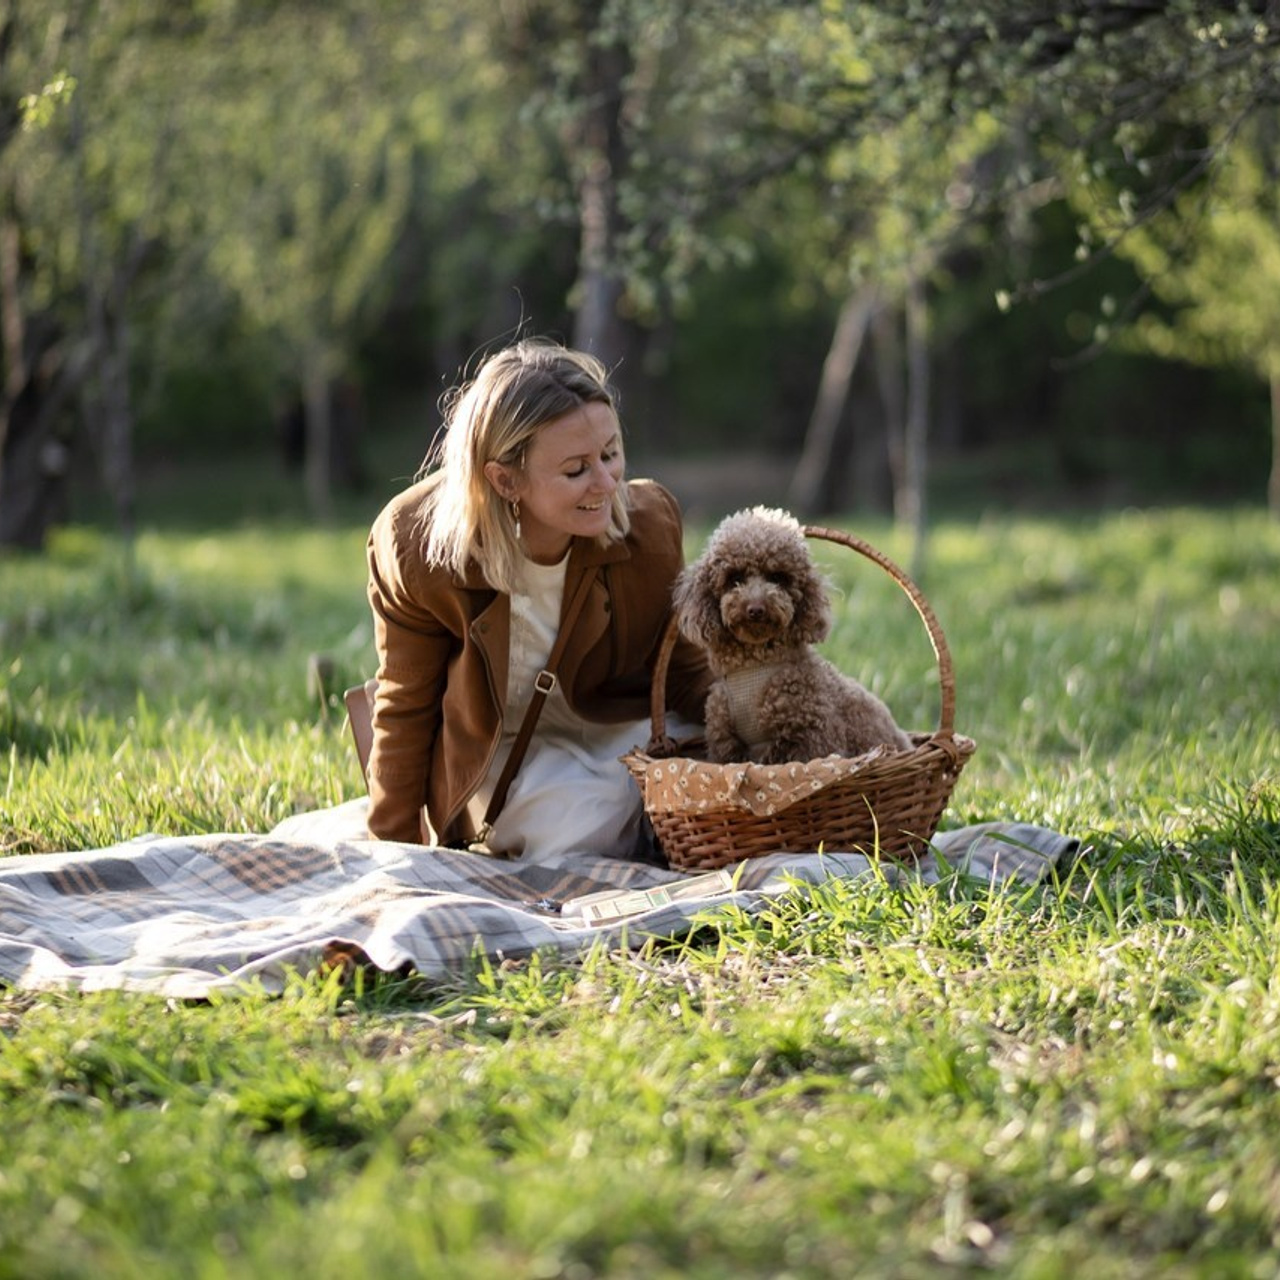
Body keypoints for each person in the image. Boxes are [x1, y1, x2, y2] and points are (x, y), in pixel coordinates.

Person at [363, 337, 711, 861]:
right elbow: (405, 705)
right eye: (576, 469)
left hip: (618, 729)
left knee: (702, 780)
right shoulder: (414, 545)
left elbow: (685, 672)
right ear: (505, 479)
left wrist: (766, 739)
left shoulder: (649, 527)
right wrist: (391, 852)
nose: (606, 483)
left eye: (611, 454)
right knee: (585, 826)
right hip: (496, 754)